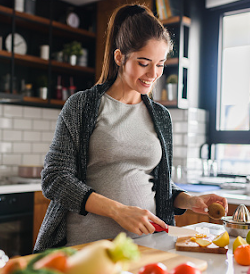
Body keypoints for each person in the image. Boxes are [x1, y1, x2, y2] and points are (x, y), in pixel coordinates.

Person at [33, 4, 228, 253]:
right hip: (86, 249)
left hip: (146, 247)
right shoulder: (83, 105)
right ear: (119, 57)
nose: (153, 74)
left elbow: (158, 184)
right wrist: (118, 211)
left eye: (160, 64)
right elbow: (55, 178)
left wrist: (189, 200)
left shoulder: (160, 116)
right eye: (144, 63)